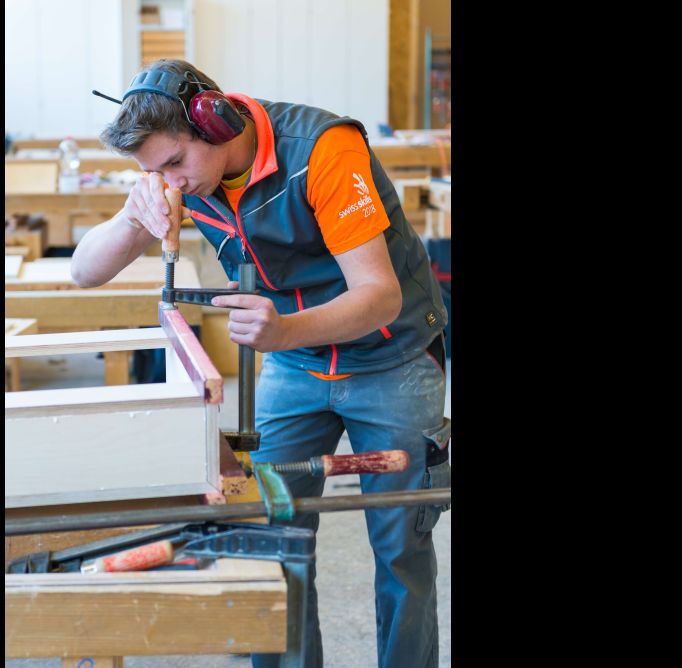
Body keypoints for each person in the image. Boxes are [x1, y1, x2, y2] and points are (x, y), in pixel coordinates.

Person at [72, 59, 451, 668]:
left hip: (393, 357)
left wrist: (284, 330)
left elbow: (380, 295)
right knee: (272, 542)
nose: (170, 181)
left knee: (401, 547)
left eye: (174, 163)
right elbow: (84, 272)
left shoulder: (324, 151)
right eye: (154, 170)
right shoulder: (179, 176)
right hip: (295, 362)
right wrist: (133, 212)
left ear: (215, 123)